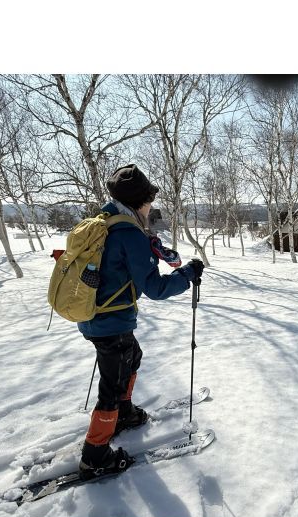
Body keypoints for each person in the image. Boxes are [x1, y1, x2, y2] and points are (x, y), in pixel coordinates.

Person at [78, 164, 204, 479]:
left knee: (132, 357)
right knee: (113, 384)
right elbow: (156, 288)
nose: (150, 207)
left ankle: (123, 413)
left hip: (98, 316)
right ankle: (95, 456)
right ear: (139, 202)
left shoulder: (105, 221)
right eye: (148, 201)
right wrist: (187, 274)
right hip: (110, 321)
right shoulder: (128, 233)